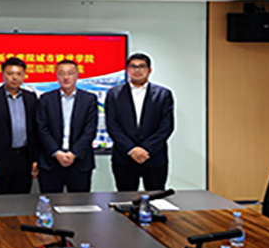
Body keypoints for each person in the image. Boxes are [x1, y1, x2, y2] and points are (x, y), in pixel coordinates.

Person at [105, 53, 174, 191]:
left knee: (155, 197)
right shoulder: (114, 94)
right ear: (127, 70)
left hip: (154, 156)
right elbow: (112, 126)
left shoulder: (163, 94)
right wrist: (131, 149)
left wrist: (145, 149)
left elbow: (166, 126)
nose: (137, 70)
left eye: (142, 66)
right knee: (125, 198)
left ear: (149, 70)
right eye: (133, 67)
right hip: (124, 157)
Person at [0, 57, 39, 194]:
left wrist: (35, 159)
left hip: (24, 160)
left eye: (19, 74)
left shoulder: (31, 98)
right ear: (3, 75)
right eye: (10, 74)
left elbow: (35, 131)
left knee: (22, 201)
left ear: (24, 76)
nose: (14, 78)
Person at [37, 60, 98, 193]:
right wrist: (56, 152)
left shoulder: (89, 99)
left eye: (70, 73)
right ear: (56, 76)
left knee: (80, 203)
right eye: (61, 73)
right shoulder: (46, 99)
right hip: (51, 161)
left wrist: (74, 153)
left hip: (79, 162)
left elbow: (90, 129)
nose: (66, 77)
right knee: (50, 201)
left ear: (77, 75)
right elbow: (42, 129)